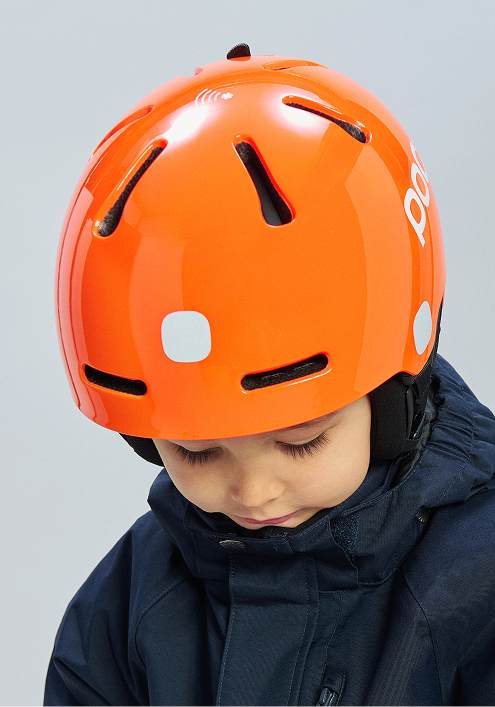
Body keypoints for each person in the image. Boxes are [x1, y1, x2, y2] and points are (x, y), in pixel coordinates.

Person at [44, 44, 495, 706]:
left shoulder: (476, 587)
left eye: (301, 441)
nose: (253, 491)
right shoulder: (130, 604)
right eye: (196, 452)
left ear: (394, 398)